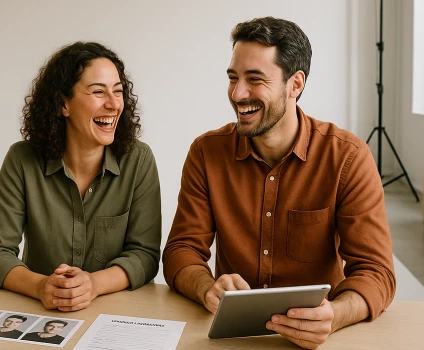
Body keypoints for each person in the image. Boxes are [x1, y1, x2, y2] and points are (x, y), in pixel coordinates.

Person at [162, 17, 396, 349]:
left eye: (255, 79)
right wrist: (206, 287)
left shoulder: (348, 158)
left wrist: (335, 315)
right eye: (233, 78)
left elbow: (376, 271)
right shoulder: (206, 153)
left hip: (316, 341)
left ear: (295, 84)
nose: (238, 93)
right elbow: (180, 251)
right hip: (231, 338)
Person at [0, 41, 162, 312]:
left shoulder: (139, 160)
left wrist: (94, 284)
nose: (113, 104)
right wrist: (41, 287)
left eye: (118, 91)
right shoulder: (21, 160)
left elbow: (144, 256)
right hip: (40, 312)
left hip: (113, 315)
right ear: (64, 103)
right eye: (98, 91)